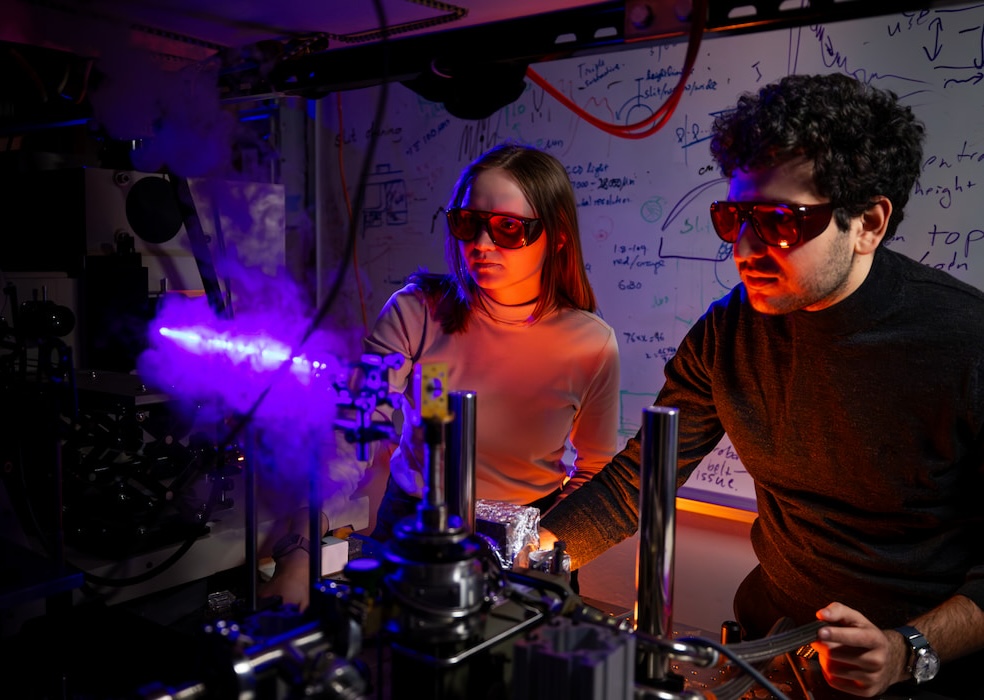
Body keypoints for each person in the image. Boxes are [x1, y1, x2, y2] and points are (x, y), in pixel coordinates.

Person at [537, 73, 984, 699]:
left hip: (911, 662)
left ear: (868, 224)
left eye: (778, 221)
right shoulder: (730, 330)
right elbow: (640, 481)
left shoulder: (967, 343)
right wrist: (528, 556)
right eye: (734, 217)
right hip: (770, 645)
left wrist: (909, 648)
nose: (744, 249)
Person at [262, 142, 620, 608]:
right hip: (413, 524)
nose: (481, 245)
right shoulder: (417, 312)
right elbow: (357, 426)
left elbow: (596, 470)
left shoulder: (591, 344)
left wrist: (545, 542)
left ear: (556, 238)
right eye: (467, 223)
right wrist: (306, 544)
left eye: (508, 228)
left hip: (528, 534)